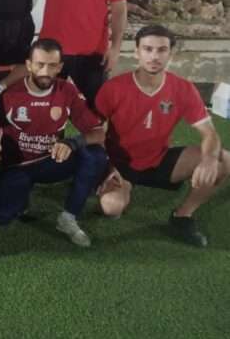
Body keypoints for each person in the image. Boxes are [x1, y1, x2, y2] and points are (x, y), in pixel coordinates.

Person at [96, 25, 230, 247]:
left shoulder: (183, 89)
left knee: (223, 160)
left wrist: (208, 159)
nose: (154, 56)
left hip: (159, 160)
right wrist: (108, 166)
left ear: (171, 53)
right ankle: (122, 186)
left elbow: (209, 133)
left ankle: (182, 215)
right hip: (121, 164)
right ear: (137, 52)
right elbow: (95, 132)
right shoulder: (114, 88)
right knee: (112, 208)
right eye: (148, 49)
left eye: (161, 50)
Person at [0, 38, 107, 247]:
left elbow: (98, 132)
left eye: (52, 65)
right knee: (1, 217)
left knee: (95, 155)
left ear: (60, 67)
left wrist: (72, 143)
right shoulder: (11, 93)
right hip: (18, 165)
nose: (45, 72)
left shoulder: (67, 91)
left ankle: (68, 218)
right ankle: (16, 193)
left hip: (52, 160)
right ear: (29, 65)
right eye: (40, 65)